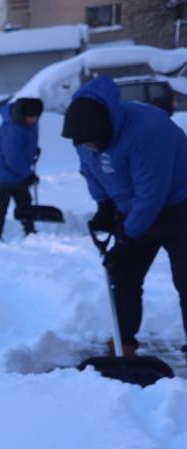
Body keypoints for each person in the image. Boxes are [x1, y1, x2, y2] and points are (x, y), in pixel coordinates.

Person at [62, 75, 187, 355]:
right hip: (135, 210)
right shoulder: (84, 134)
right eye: (85, 143)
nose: (89, 146)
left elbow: (152, 193)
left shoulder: (147, 130)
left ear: (107, 128)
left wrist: (128, 236)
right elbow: (91, 171)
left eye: (94, 142)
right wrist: (104, 205)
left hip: (180, 207)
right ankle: (124, 340)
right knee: (123, 273)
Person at [0, 97, 43, 240]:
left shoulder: (27, 124)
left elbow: (24, 145)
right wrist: (27, 175)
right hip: (2, 172)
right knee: (3, 205)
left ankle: (29, 231)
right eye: (31, 117)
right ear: (23, 115)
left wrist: (33, 150)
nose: (34, 120)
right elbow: (13, 158)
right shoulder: (12, 129)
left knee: (24, 202)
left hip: (15, 172)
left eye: (36, 117)